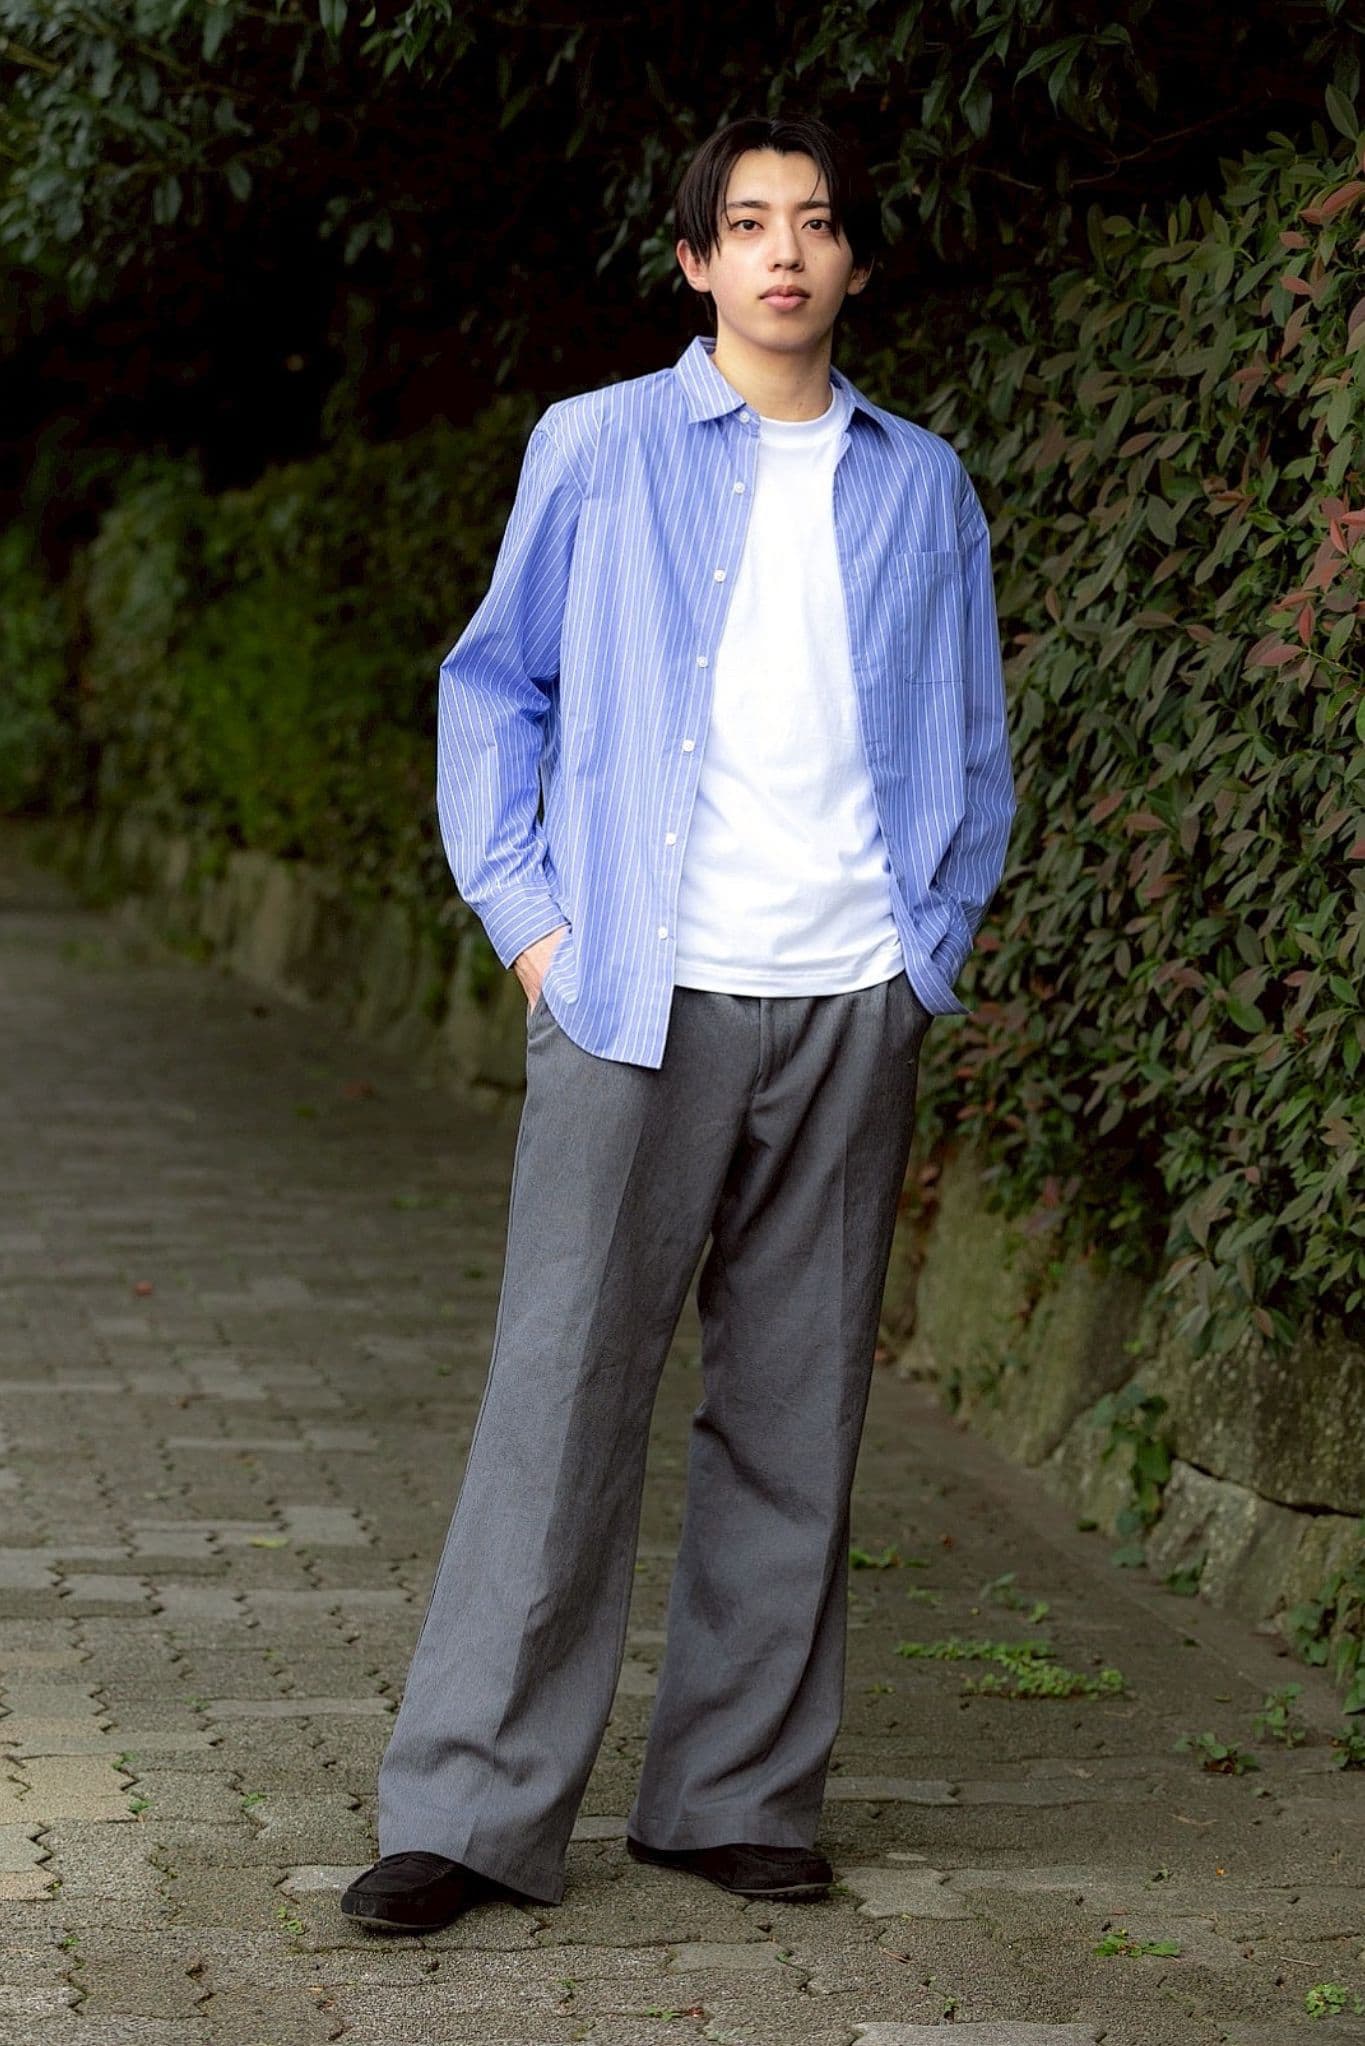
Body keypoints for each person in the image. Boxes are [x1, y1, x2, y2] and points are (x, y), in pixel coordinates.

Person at [341, 109, 1016, 1933]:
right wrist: (534, 931)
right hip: (636, 996)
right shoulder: (598, 446)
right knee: (561, 1393)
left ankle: (732, 1793)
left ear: (852, 260)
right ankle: (468, 1814)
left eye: (816, 222)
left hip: (845, 996)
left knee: (794, 1410)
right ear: (696, 259)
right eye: (749, 222)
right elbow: (493, 687)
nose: (785, 251)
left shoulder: (921, 484)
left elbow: (968, 745)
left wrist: (922, 951)